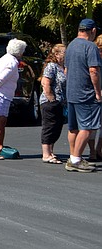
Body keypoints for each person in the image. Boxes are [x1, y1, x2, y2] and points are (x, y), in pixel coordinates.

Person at [63, 19, 102, 172]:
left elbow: (66, 70)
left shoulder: (71, 45)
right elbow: (93, 71)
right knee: (87, 127)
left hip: (72, 92)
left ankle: (73, 156)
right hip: (86, 94)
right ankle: (75, 159)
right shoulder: (90, 47)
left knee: (73, 128)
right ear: (92, 31)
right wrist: (98, 92)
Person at [0, 38, 26, 160]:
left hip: (3, 95)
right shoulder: (12, 63)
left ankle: (0, 147)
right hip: (1, 96)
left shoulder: (4, 59)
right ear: (20, 52)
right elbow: (2, 78)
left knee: (2, 124)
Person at [39, 44, 66, 164]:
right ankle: (46, 154)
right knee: (49, 127)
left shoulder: (63, 67)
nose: (67, 55)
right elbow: (45, 83)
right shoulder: (51, 66)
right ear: (56, 54)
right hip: (49, 102)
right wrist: (52, 99)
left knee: (57, 127)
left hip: (61, 102)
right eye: (64, 53)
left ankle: (51, 151)